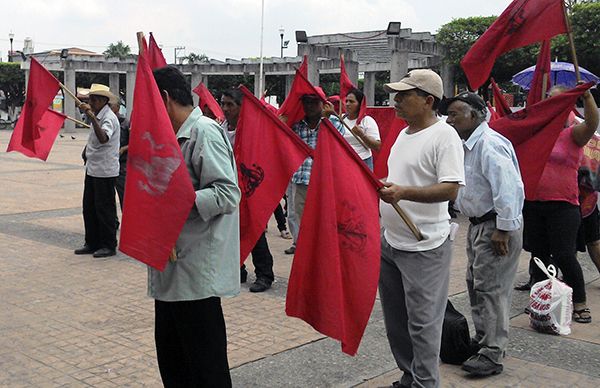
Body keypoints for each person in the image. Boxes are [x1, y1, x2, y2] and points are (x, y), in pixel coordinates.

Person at [151, 66, 240, 386]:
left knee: (205, 368)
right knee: (174, 364)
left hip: (196, 272)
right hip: (170, 268)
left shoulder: (203, 132)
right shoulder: (167, 137)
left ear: (163, 98)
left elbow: (228, 193)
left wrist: (178, 199)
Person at [378, 69, 464, 388]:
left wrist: (403, 193)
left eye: (404, 95)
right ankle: (408, 375)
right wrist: (391, 188)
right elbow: (404, 179)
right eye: (396, 95)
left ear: (428, 101)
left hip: (424, 247)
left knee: (424, 324)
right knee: (397, 321)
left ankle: (426, 383)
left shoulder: (444, 136)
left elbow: (450, 188)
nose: (396, 101)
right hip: (391, 242)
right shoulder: (405, 132)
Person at [443, 92, 524, 377]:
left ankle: (493, 351)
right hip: (479, 225)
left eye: (455, 114)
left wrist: (503, 229)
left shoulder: (490, 145)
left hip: (495, 227)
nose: (450, 119)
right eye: (449, 114)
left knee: (492, 289)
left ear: (475, 115)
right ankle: (483, 339)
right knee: (476, 283)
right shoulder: (467, 146)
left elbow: (509, 189)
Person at [521, 84, 599, 324]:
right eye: (549, 100)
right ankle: (543, 300)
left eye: (560, 100)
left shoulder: (573, 133)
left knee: (565, 255)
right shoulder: (537, 132)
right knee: (540, 256)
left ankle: (580, 304)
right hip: (534, 203)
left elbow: (592, 124)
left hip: (564, 205)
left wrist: (587, 98)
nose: (553, 103)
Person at [220, 87, 275, 292]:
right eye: (223, 104)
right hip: (229, 187)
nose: (225, 109)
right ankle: (238, 268)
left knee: (256, 230)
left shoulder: (253, 131)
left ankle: (264, 274)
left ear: (242, 108)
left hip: (250, 188)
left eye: (230, 105)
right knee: (231, 231)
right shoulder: (220, 128)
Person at [74, 84, 120, 258]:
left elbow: (103, 138)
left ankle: (108, 245)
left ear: (102, 100)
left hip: (105, 170)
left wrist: (91, 116)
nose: (90, 102)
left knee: (105, 209)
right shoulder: (99, 115)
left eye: (93, 99)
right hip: (93, 168)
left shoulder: (108, 118)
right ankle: (91, 242)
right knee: (89, 207)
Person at [342, 88, 381, 170]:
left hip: (363, 161)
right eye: (346, 101)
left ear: (360, 104)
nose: (348, 104)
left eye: (351, 101)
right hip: (343, 161)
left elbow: (377, 146)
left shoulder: (367, 120)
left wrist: (362, 134)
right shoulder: (340, 119)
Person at [110, 97, 130, 211]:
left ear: (117, 107)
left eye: (111, 105)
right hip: (108, 163)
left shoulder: (125, 123)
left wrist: (123, 149)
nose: (109, 108)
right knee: (108, 196)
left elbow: (134, 142)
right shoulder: (105, 120)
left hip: (122, 165)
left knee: (123, 195)